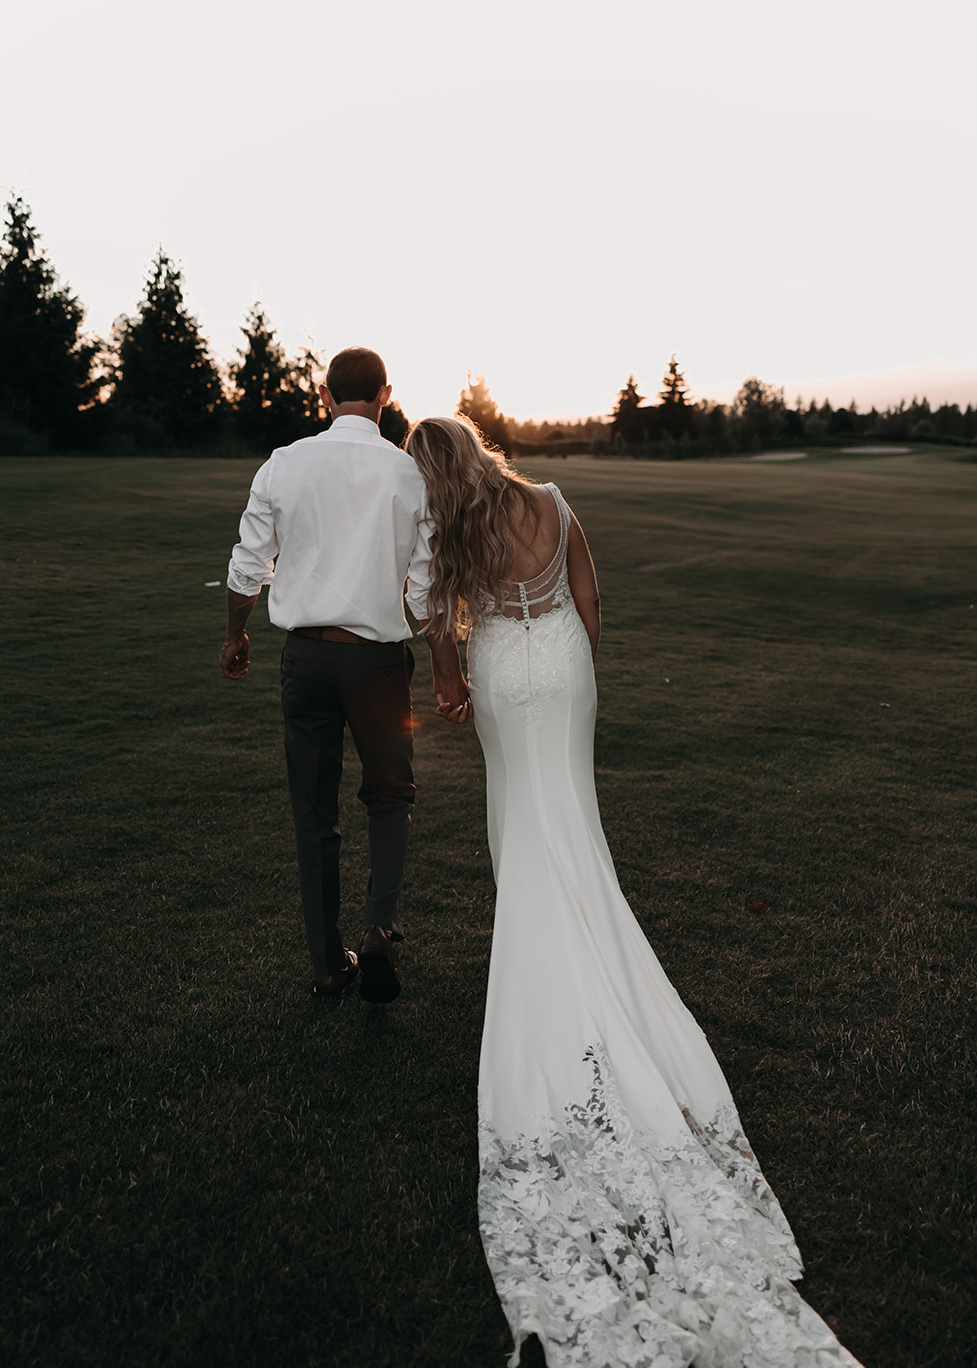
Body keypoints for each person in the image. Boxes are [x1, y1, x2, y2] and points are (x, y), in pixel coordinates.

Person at [404, 413, 865, 1368]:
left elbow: (427, 617)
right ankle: (586, 934)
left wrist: (450, 675)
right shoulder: (553, 501)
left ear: (431, 473)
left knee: (519, 821)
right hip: (562, 664)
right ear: (482, 452)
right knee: (570, 810)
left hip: (499, 666)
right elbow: (588, 598)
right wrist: (576, 667)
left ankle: (546, 949)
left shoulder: (444, 530)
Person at [220, 348, 470, 1003]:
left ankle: (329, 964)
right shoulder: (407, 476)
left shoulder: (284, 463)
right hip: (378, 665)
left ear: (324, 394)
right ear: (384, 394)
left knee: (314, 813)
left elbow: (248, 563)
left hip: (304, 660)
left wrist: (235, 633)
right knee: (390, 798)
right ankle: (379, 929)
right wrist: (447, 673)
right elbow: (425, 590)